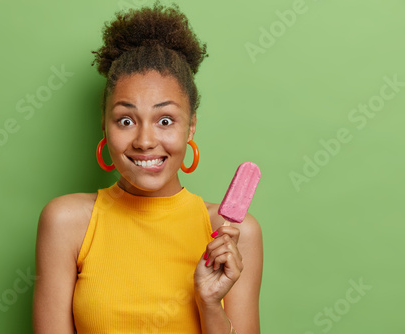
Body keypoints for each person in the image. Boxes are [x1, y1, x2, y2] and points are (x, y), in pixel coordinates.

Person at [32, 2, 263, 333]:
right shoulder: (66, 223)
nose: (144, 140)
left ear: (191, 126)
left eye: (165, 120)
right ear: (104, 125)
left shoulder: (234, 235)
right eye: (126, 120)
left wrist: (209, 303)